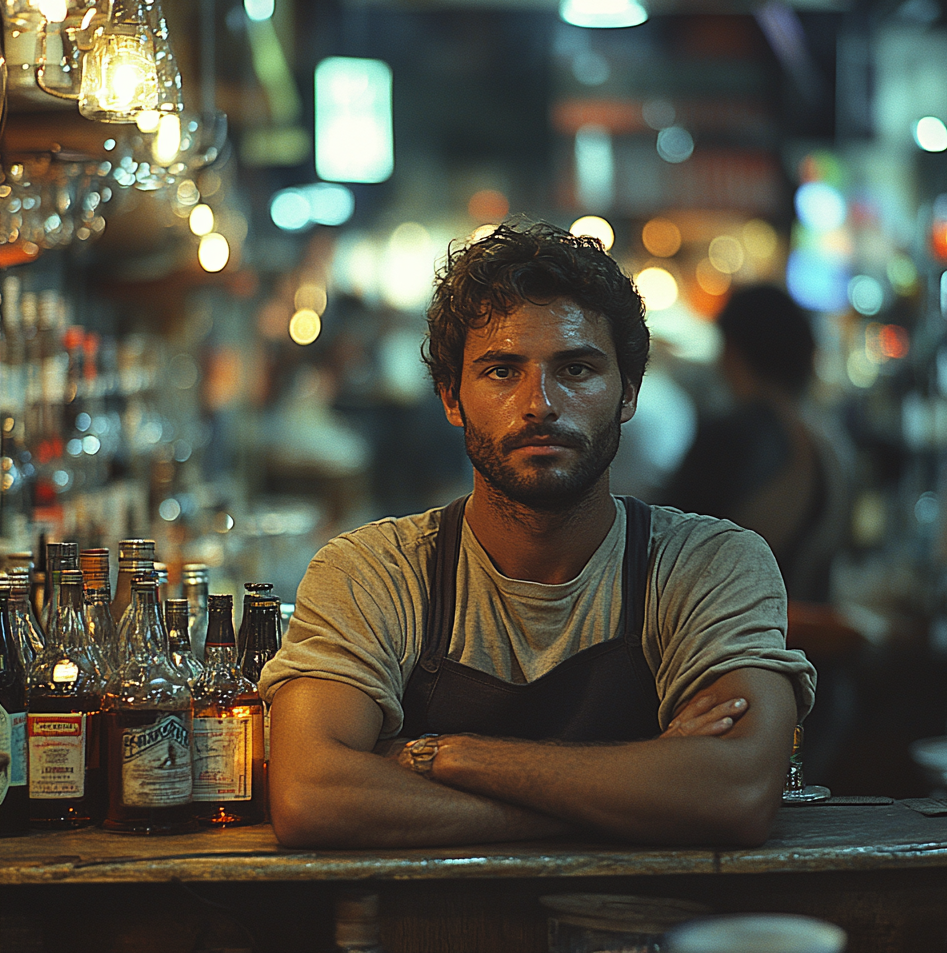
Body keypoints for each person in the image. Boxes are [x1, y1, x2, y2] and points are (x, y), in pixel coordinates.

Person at [261, 222, 816, 850]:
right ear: (451, 396)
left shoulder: (710, 565)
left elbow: (734, 794)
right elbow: (311, 796)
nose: (540, 404)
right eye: (501, 371)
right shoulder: (372, 571)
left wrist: (447, 757)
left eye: (576, 369)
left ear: (628, 393)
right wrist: (640, 793)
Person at [656, 285, 851, 604]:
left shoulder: (732, 435)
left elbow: (667, 541)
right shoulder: (825, 446)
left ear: (732, 349)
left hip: (717, 632)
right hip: (790, 638)